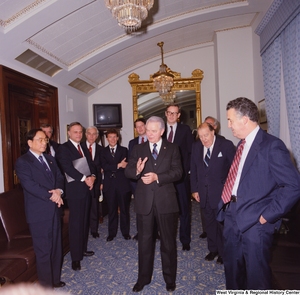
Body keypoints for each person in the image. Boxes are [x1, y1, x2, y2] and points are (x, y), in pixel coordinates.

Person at [217, 97, 300, 289]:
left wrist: (267, 216)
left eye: (230, 120)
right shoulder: (241, 145)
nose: (228, 125)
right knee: (233, 273)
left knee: (256, 278)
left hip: (256, 223)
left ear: (245, 119)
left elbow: (293, 185)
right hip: (232, 216)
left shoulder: (272, 145)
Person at [125, 116, 182, 293]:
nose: (149, 133)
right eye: (147, 130)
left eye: (153, 131)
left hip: (166, 202)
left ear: (162, 131)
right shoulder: (137, 148)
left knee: (168, 243)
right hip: (144, 202)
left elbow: (178, 172)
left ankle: (170, 279)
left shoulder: (172, 148)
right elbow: (128, 171)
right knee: (144, 242)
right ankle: (143, 278)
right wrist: (137, 170)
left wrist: (158, 177)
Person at [15, 129, 65, 288]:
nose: (44, 142)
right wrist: (52, 195)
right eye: (40, 140)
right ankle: (46, 287)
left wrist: (59, 190)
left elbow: (59, 177)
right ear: (30, 143)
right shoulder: (23, 161)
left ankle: (55, 280)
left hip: (55, 210)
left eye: (45, 140)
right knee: (44, 251)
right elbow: (30, 185)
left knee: (56, 248)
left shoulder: (50, 159)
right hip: (39, 214)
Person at [190, 122, 235, 265]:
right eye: (201, 136)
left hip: (222, 194)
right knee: (209, 224)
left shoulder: (226, 145)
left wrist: (230, 191)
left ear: (213, 132)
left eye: (206, 135)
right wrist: (194, 190)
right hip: (203, 193)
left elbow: (234, 170)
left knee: (221, 224)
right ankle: (213, 249)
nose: (204, 139)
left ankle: (223, 252)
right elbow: (193, 170)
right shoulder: (196, 147)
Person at [56, 122, 96, 271]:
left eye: (80, 132)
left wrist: (92, 176)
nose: (78, 134)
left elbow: (91, 165)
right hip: (74, 191)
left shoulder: (83, 147)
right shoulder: (63, 148)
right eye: (75, 132)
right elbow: (67, 168)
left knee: (84, 222)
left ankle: (82, 249)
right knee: (76, 224)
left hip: (86, 189)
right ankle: (75, 258)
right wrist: (84, 179)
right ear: (69, 133)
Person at [164, 104, 194, 251]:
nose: (171, 115)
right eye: (169, 113)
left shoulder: (185, 130)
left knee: (184, 210)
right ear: (165, 114)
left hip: (181, 178)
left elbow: (190, 152)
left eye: (174, 113)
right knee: (165, 210)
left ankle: (185, 239)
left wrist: (186, 172)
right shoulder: (160, 130)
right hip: (164, 178)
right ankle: (167, 239)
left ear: (178, 115)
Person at [101, 128, 131, 242]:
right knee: (111, 210)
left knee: (124, 209)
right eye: (110, 137)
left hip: (122, 184)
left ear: (118, 138)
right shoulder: (103, 152)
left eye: (115, 137)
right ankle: (111, 233)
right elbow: (104, 166)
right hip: (109, 185)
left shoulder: (124, 150)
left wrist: (113, 166)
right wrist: (118, 165)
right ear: (107, 138)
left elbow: (125, 165)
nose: (112, 139)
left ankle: (125, 232)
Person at [128, 118, 147, 241]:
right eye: (137, 126)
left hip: (150, 178)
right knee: (139, 207)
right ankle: (140, 232)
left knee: (152, 206)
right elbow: (131, 161)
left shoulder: (152, 139)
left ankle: (154, 232)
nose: (140, 128)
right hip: (136, 180)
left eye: (142, 126)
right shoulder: (132, 143)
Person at [83, 126, 104, 239]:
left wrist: (101, 182)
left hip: (96, 182)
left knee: (94, 207)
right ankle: (84, 228)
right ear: (86, 135)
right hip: (82, 182)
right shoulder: (80, 148)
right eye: (89, 133)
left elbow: (102, 168)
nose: (91, 136)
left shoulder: (101, 149)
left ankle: (94, 230)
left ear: (97, 136)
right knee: (83, 207)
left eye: (94, 134)